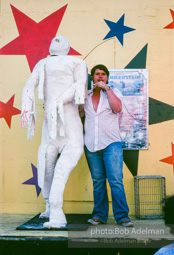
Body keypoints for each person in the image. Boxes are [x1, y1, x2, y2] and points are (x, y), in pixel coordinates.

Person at [21, 36, 88, 228]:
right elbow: (29, 85)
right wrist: (28, 104)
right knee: (45, 165)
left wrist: (59, 101)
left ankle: (57, 214)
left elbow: (79, 88)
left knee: (59, 169)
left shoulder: (76, 62)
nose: (56, 40)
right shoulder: (43, 64)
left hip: (70, 128)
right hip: (50, 129)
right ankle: (50, 206)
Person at [83, 64, 133, 227]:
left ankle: (122, 217)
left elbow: (118, 108)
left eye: (103, 74)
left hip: (111, 144)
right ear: (92, 77)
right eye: (97, 74)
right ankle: (99, 215)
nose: (100, 76)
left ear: (107, 77)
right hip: (91, 145)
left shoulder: (113, 92)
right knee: (98, 181)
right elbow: (76, 112)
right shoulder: (86, 96)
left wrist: (107, 89)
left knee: (115, 181)